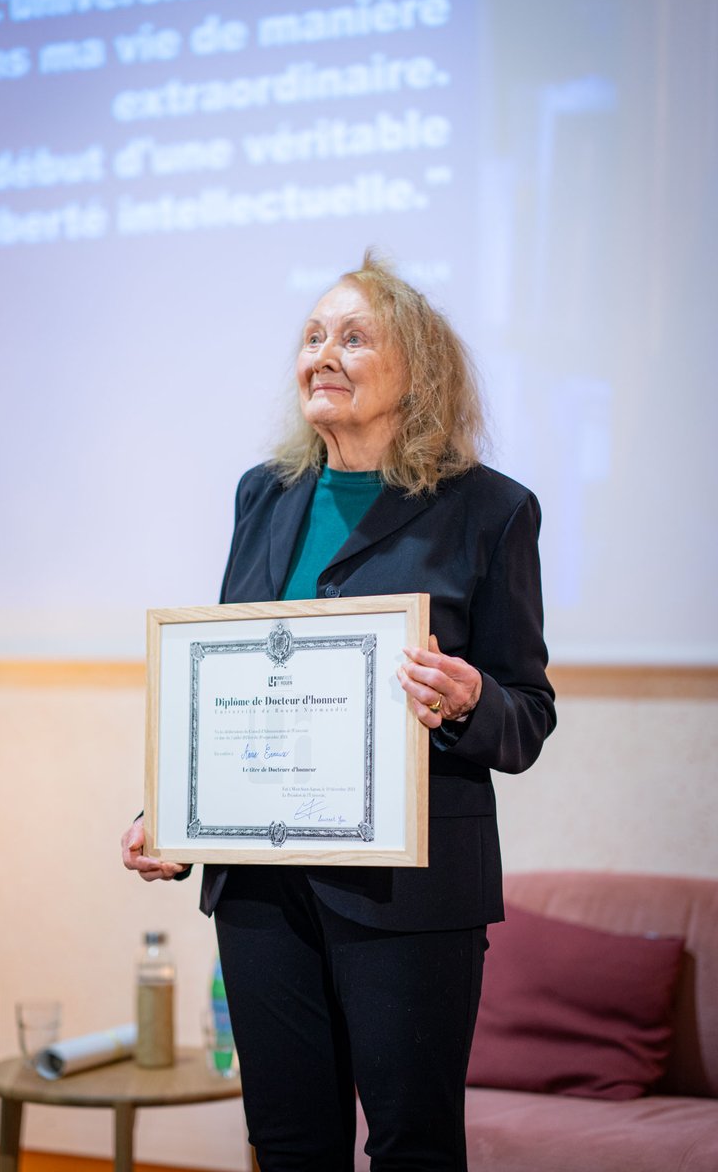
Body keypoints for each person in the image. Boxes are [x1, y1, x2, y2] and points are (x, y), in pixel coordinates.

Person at [122, 251, 556, 1171]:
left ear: (420, 373)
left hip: (409, 891)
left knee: (411, 1145)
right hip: (261, 892)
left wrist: (474, 699)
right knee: (287, 1145)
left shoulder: (492, 512)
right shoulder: (262, 495)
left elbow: (528, 716)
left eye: (354, 337)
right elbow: (234, 679)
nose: (324, 352)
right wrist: (175, 812)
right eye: (313, 335)